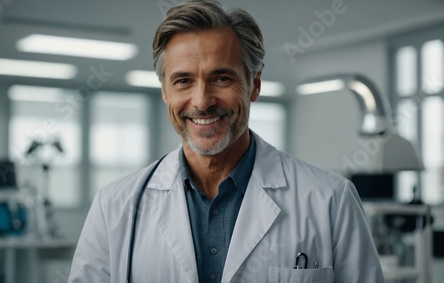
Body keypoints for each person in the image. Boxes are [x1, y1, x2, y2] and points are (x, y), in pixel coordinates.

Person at [69, 1, 384, 282]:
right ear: (165, 92)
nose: (202, 101)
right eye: (183, 81)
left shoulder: (330, 200)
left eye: (222, 78)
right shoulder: (115, 206)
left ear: (254, 85)